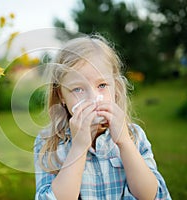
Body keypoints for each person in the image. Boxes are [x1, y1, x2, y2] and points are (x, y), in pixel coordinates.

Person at [34, 34, 171, 200]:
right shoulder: (49, 143)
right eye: (78, 89)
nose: (93, 98)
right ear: (61, 96)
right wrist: (78, 147)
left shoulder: (134, 135)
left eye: (102, 85)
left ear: (115, 87)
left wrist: (124, 142)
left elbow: (151, 196)